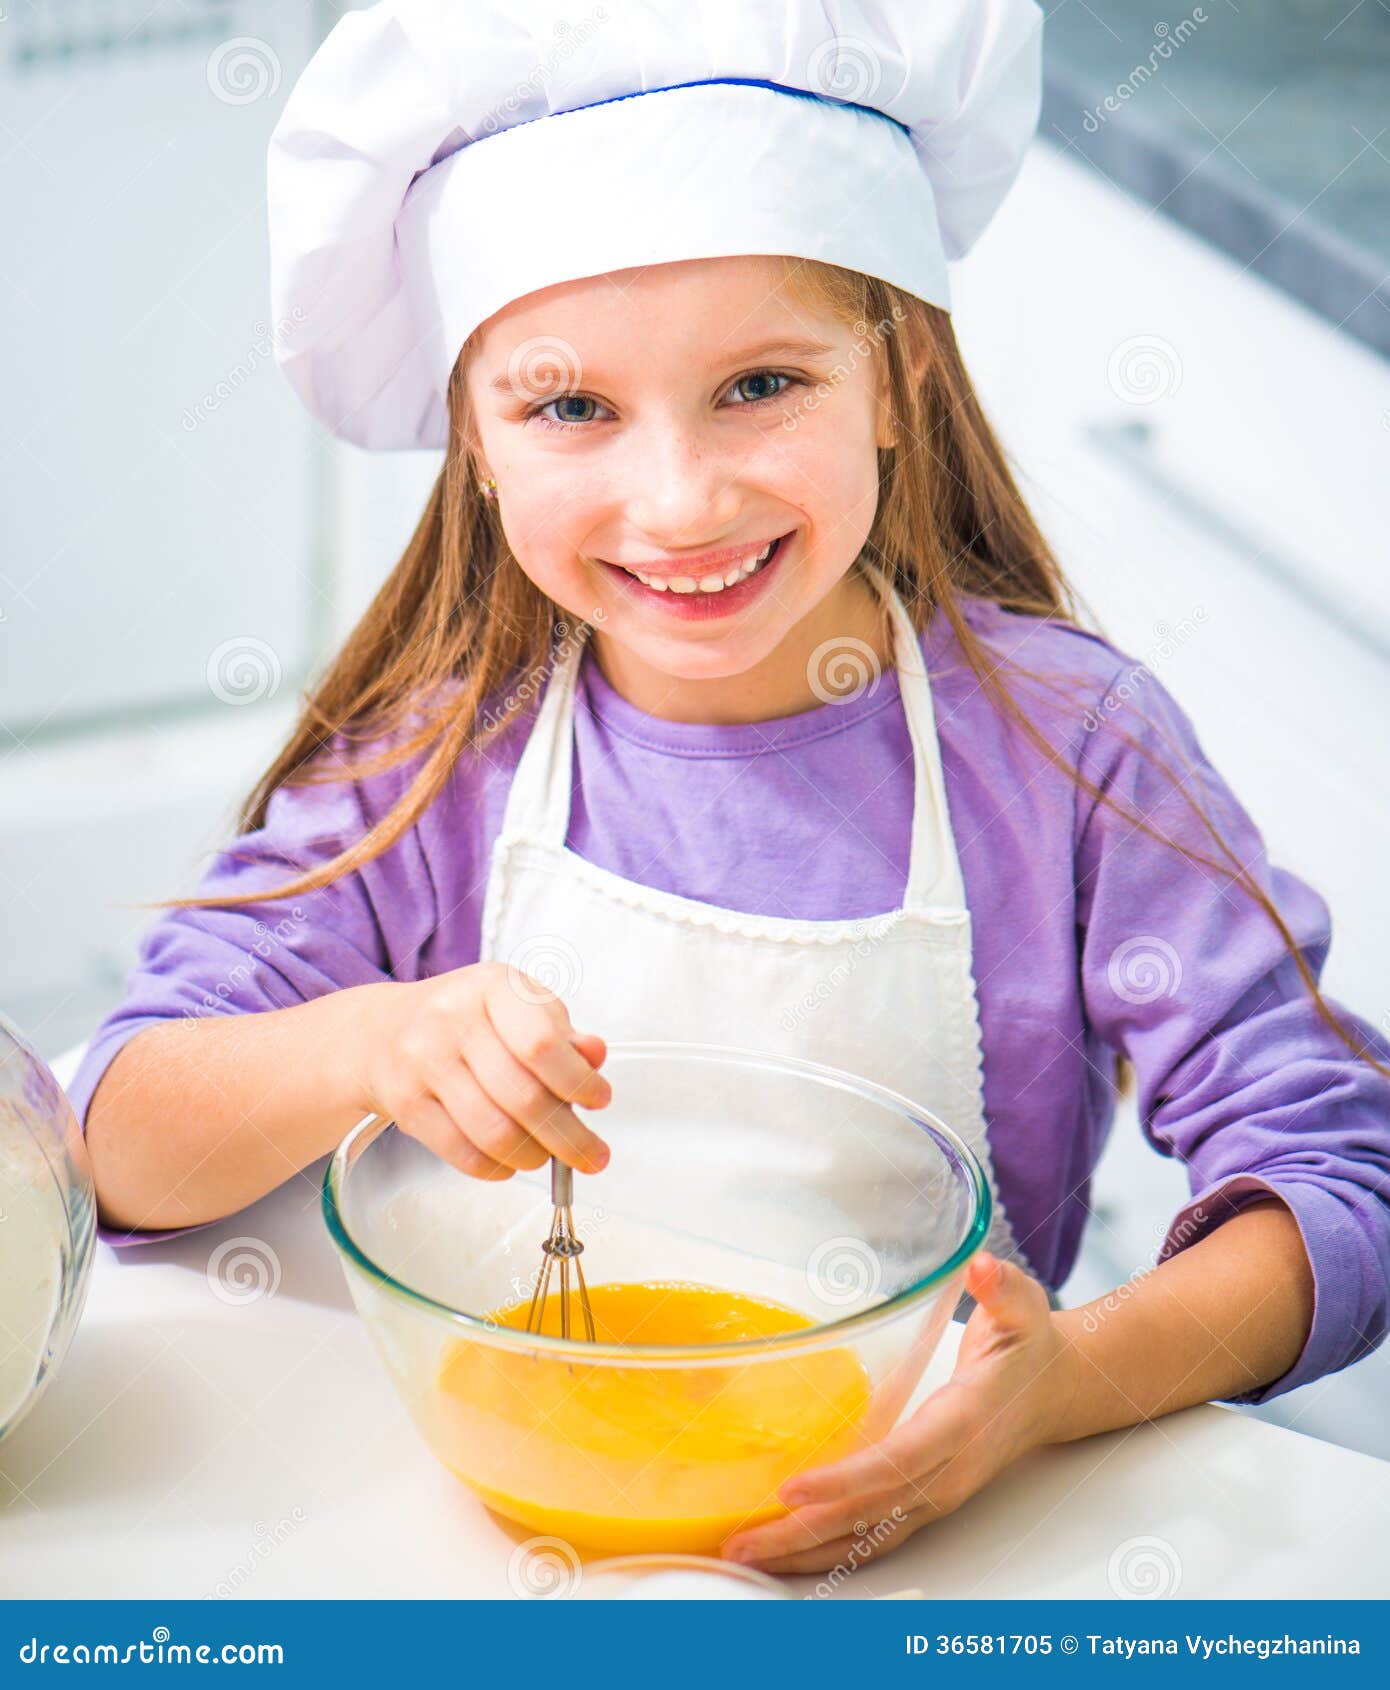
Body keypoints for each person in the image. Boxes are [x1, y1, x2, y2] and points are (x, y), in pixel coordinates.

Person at [71, 0, 1389, 1574]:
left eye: (761, 383)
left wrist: (1058, 1385)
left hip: (926, 1538)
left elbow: (1335, 1186)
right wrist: (364, 1041)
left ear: (892, 377)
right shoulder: (437, 755)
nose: (681, 497)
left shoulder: (1066, 746)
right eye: (571, 407)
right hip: (515, 1542)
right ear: (474, 442)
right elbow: (119, 1139)